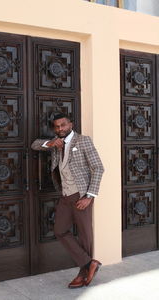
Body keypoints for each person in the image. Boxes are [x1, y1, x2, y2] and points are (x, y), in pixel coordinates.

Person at [31, 113, 104, 288]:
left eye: (63, 125)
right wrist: (50, 143)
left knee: (85, 235)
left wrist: (89, 196)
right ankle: (89, 263)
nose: (60, 129)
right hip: (65, 195)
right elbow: (34, 145)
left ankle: (83, 272)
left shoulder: (83, 141)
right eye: (57, 126)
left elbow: (98, 168)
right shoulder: (57, 142)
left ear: (70, 124)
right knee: (60, 230)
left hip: (81, 195)